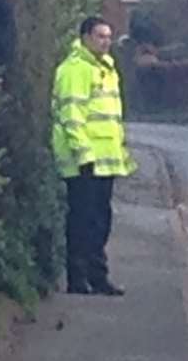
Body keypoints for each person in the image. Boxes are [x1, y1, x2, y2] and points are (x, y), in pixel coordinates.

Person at [51, 16, 136, 295]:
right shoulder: (75, 69)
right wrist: (83, 153)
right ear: (86, 37)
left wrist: (120, 153)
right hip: (84, 161)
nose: (106, 42)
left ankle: (98, 276)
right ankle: (78, 278)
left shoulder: (107, 69)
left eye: (109, 37)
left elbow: (111, 118)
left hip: (105, 160)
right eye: (100, 36)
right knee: (82, 220)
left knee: (101, 220)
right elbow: (71, 115)